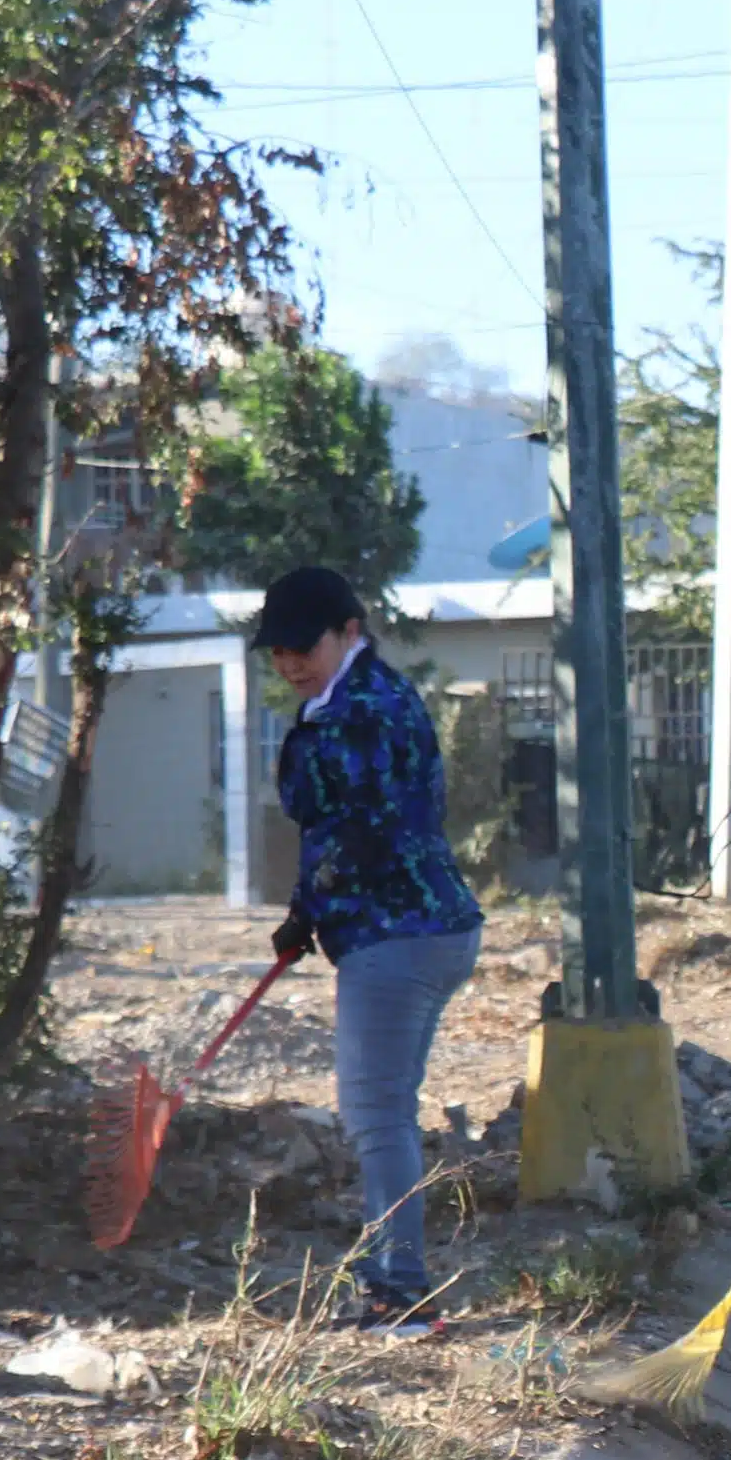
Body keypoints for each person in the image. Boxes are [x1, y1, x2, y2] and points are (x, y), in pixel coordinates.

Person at [257, 565, 484, 1330]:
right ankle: (392, 1281)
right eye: (279, 650)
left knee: (375, 1114)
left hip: (400, 935)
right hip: (419, 928)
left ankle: (400, 1292)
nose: (290, 662)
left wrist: (312, 906)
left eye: (302, 645)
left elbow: (365, 832)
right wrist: (308, 908)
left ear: (348, 631)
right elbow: (336, 829)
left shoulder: (362, 709)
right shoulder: (352, 696)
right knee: (384, 1109)